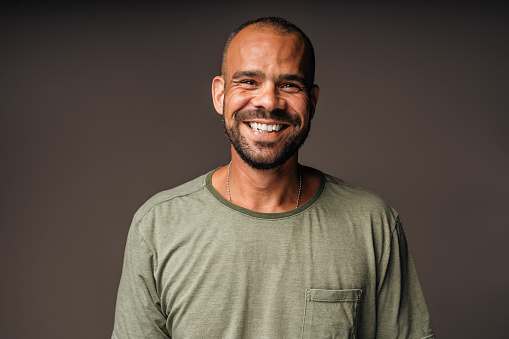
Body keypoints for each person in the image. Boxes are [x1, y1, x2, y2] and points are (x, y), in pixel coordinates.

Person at [112, 17, 434, 339]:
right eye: (249, 82)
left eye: (289, 85)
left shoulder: (372, 224)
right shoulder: (157, 226)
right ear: (219, 95)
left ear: (313, 101)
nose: (268, 101)